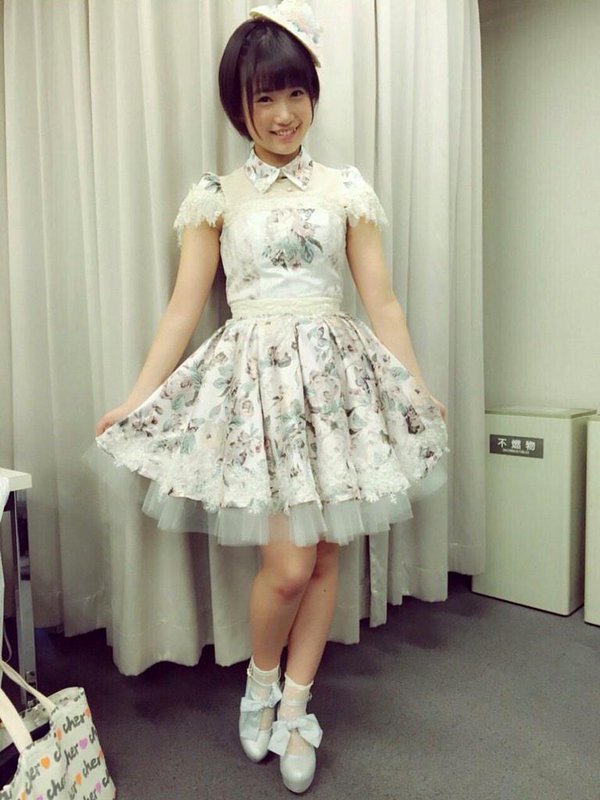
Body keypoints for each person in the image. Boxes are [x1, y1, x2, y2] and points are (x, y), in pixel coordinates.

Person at [94, 0, 449, 793]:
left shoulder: (345, 190)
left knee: (323, 556)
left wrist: (416, 387)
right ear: (240, 105)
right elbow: (183, 309)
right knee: (287, 566)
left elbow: (382, 302)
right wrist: (139, 397)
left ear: (312, 95)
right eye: (264, 97)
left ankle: (295, 705)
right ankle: (259, 685)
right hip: (257, 392)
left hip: (334, 386)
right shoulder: (215, 196)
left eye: (295, 93)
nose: (283, 113)